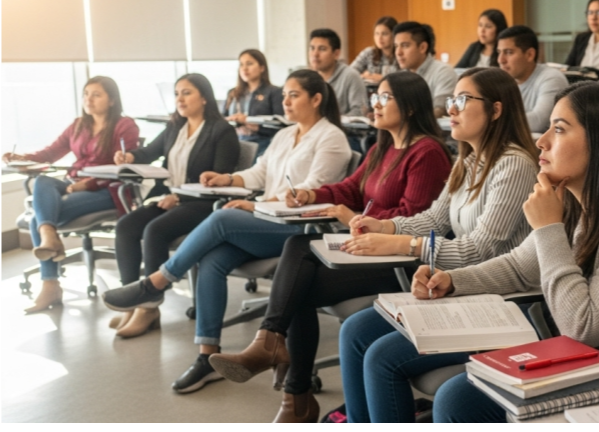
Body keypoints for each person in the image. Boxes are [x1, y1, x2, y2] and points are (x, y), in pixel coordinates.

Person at [209, 68, 539, 423]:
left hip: (497, 299)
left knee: (381, 356)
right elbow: (433, 220)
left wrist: (401, 243)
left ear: (497, 110)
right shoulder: (469, 162)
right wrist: (385, 225)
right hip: (458, 286)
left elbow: (480, 250)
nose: (451, 110)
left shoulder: (513, 165)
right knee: (353, 330)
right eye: (450, 101)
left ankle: (278, 358)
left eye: (462, 100)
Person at [427, 82, 599, 423]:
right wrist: (452, 280)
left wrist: (547, 229)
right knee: (459, 397)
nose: (541, 140)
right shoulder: (579, 199)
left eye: (559, 130)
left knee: (458, 400)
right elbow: (522, 267)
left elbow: (584, 327)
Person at [102, 70, 352, 393]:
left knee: (221, 219)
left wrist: (255, 205)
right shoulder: (285, 135)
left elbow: (311, 190)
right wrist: (228, 180)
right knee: (213, 260)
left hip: (301, 227)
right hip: (269, 220)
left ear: (316, 100)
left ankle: (156, 282)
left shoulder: (331, 138)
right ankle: (208, 356)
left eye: (294, 96)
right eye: (285, 95)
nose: (286, 101)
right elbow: (259, 173)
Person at [109, 74, 239, 339]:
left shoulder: (221, 130)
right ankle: (132, 299)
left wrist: (180, 198)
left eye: (187, 93)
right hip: (170, 198)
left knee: (155, 230)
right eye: (177, 93)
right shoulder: (174, 127)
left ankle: (149, 306)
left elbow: (220, 179)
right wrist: (130, 156)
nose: (180, 99)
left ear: (204, 97)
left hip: (203, 204)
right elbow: (150, 153)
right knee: (126, 226)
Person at [4, 77, 139, 315]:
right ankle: (50, 237)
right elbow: (50, 153)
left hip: (108, 189)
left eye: (96, 94)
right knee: (44, 181)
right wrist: (21, 158)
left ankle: (50, 284)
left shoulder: (124, 126)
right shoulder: (79, 125)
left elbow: (123, 168)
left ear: (112, 100)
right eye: (86, 93)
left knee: (38, 219)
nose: (88, 99)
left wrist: (89, 184)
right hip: (73, 183)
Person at [496, 25, 569, 133]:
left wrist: (491, 121)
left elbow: (538, 122)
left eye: (509, 52)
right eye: (499, 52)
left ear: (530, 54)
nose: (500, 60)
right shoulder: (502, 82)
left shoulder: (551, 78)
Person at [224, 49, 284, 159]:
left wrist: (249, 122)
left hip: (263, 144)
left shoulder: (274, 92)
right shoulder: (232, 93)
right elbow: (223, 118)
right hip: (235, 142)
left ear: (262, 67)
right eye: (241, 64)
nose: (244, 68)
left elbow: (281, 125)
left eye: (249, 64)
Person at [393, 22, 458, 118]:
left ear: (422, 47)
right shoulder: (399, 76)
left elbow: (441, 110)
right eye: (396, 46)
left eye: (405, 46)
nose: (398, 52)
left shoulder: (443, 72)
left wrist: (407, 121)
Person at [308, 28, 368, 117]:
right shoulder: (307, 78)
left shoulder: (351, 76)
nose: (315, 54)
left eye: (322, 49)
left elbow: (359, 112)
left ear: (336, 54)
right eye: (312, 48)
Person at [352, 17, 400, 83]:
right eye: (377, 34)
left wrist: (383, 78)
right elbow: (350, 73)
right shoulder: (369, 53)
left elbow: (405, 77)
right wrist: (364, 76)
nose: (379, 38)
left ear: (394, 35)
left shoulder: (400, 53)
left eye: (384, 34)